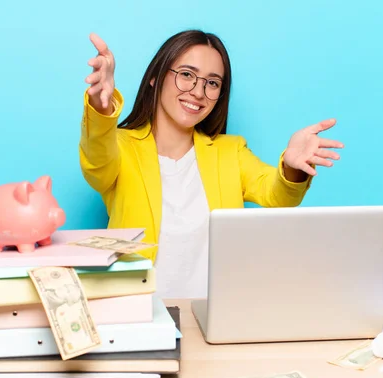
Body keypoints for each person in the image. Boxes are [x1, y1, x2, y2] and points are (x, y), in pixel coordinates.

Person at [79, 30, 344, 298]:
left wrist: (293, 166)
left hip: (218, 317)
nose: (198, 92)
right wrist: (101, 107)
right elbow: (96, 164)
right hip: (137, 312)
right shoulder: (121, 147)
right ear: (154, 77)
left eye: (213, 83)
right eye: (186, 74)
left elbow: (276, 194)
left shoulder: (231, 151)